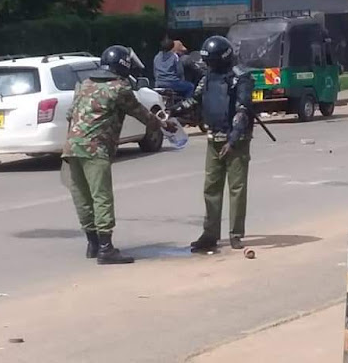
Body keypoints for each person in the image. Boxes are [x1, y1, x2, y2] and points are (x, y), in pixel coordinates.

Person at [63, 45, 176, 264]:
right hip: (96, 149)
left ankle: (93, 244)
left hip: (71, 147)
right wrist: (164, 125)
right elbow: (142, 114)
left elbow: (70, 115)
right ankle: (106, 249)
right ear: (123, 66)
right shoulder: (119, 89)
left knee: (82, 198)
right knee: (101, 197)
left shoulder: (84, 85)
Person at [171, 35, 254, 252]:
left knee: (236, 188)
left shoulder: (241, 77)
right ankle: (210, 234)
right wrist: (174, 111)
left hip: (236, 141)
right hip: (213, 138)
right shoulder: (209, 77)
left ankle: (236, 234)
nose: (208, 66)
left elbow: (243, 110)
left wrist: (233, 140)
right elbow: (195, 99)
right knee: (211, 188)